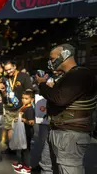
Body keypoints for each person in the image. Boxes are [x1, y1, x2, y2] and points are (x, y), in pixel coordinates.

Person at [36, 44, 97, 174]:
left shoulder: (80, 74)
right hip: (58, 130)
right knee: (47, 167)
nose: (50, 63)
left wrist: (42, 85)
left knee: (68, 169)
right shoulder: (68, 76)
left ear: (64, 55)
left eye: (52, 58)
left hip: (70, 135)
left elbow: (60, 98)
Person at [2, 60, 32, 153]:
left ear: (14, 67)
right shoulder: (4, 78)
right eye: (6, 70)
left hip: (21, 108)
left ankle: (24, 150)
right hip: (8, 108)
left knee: (22, 130)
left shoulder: (24, 76)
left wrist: (27, 107)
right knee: (9, 129)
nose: (8, 72)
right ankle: (12, 148)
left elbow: (29, 91)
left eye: (10, 69)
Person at [12, 90, 36, 174]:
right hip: (23, 131)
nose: (23, 100)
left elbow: (31, 122)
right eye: (22, 98)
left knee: (26, 149)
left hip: (27, 132)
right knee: (23, 148)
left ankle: (27, 166)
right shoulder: (24, 107)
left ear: (32, 99)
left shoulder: (29, 109)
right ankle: (22, 163)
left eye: (26, 98)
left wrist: (23, 120)